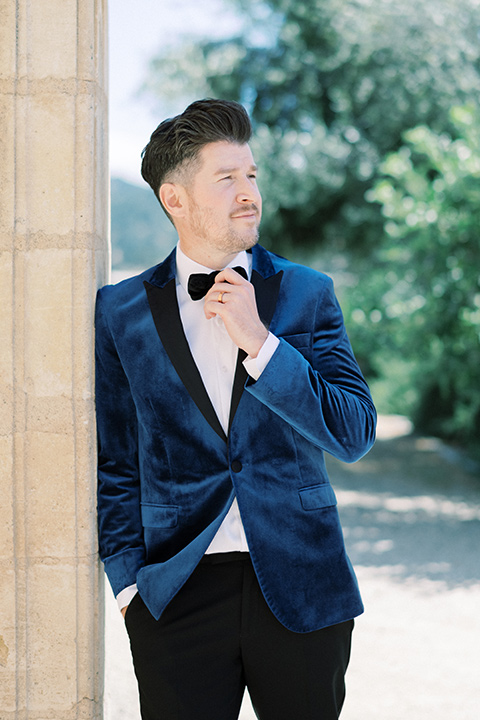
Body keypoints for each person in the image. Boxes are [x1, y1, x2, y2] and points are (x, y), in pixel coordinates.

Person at [95, 98, 376, 720]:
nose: (248, 192)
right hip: (178, 590)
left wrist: (263, 345)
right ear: (176, 200)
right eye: (226, 179)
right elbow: (114, 459)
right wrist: (129, 587)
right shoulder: (120, 312)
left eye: (251, 175)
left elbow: (354, 431)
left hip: (302, 580)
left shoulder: (307, 293)